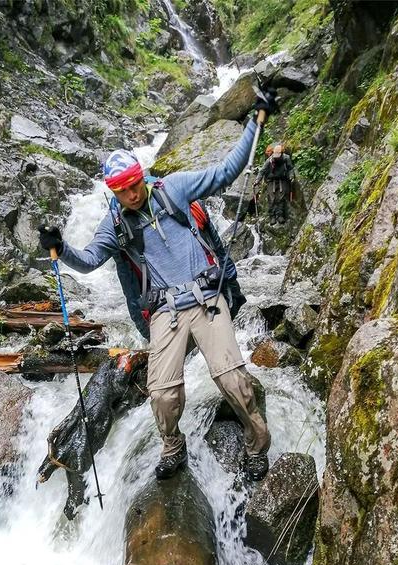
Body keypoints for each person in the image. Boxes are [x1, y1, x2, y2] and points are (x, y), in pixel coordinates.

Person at [39, 92, 276, 482]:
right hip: (165, 310)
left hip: (207, 298)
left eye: (135, 185)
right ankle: (173, 446)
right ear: (112, 191)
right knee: (163, 394)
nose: (132, 194)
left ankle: (255, 445)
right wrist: (60, 247)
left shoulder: (174, 189)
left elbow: (225, 173)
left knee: (233, 379)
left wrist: (254, 123)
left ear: (141, 175)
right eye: (123, 190)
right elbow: (89, 260)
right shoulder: (115, 225)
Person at [254, 142, 295, 225]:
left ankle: (280, 215)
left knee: (281, 197)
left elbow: (290, 168)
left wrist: (291, 176)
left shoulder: (286, 158)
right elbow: (262, 171)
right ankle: (272, 216)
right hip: (271, 180)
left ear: (282, 153)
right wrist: (257, 181)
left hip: (282, 179)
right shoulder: (269, 160)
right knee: (271, 198)